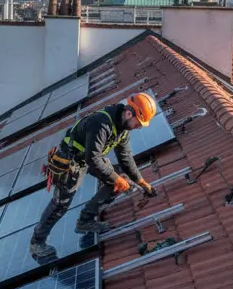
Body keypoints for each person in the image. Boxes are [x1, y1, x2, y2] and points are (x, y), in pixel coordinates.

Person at [30, 93, 159, 258]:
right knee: (60, 204)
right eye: (139, 123)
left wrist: (142, 182)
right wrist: (116, 178)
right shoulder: (102, 123)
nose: (139, 127)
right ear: (129, 114)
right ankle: (36, 242)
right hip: (72, 160)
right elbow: (93, 160)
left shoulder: (123, 130)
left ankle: (85, 221)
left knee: (119, 183)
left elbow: (125, 157)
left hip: (90, 158)